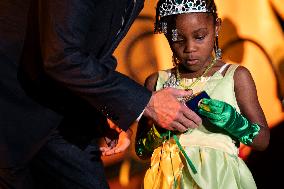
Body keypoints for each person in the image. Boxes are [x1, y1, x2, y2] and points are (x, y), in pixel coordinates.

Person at [0, 0, 202, 188]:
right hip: (13, 109)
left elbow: (96, 50)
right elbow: (62, 57)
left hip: (64, 114)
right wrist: (146, 103)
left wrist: (110, 108)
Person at [135, 0, 270, 188]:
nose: (190, 48)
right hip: (169, 181)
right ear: (166, 35)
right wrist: (160, 129)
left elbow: (263, 140)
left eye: (199, 37)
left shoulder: (234, 76)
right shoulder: (156, 81)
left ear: (216, 27)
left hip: (219, 179)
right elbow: (141, 149)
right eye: (178, 38)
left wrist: (233, 121)